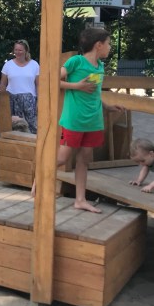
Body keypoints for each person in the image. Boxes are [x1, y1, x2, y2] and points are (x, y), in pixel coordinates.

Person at [36, 27, 124, 212]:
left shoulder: (100, 67)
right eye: (108, 43)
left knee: (84, 160)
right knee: (62, 158)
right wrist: (76, 86)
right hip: (74, 120)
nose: (110, 47)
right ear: (98, 45)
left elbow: (94, 93)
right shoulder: (76, 61)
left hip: (93, 121)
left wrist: (107, 106)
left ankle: (80, 200)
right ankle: (39, 178)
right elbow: (49, 80)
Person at [0, 40, 40, 133]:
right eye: (16, 50)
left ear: (26, 51)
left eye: (20, 50)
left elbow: (38, 85)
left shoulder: (34, 65)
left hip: (29, 101)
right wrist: (2, 102)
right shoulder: (8, 65)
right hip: (12, 99)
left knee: (32, 127)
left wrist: (39, 101)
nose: (17, 52)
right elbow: (3, 84)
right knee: (14, 127)